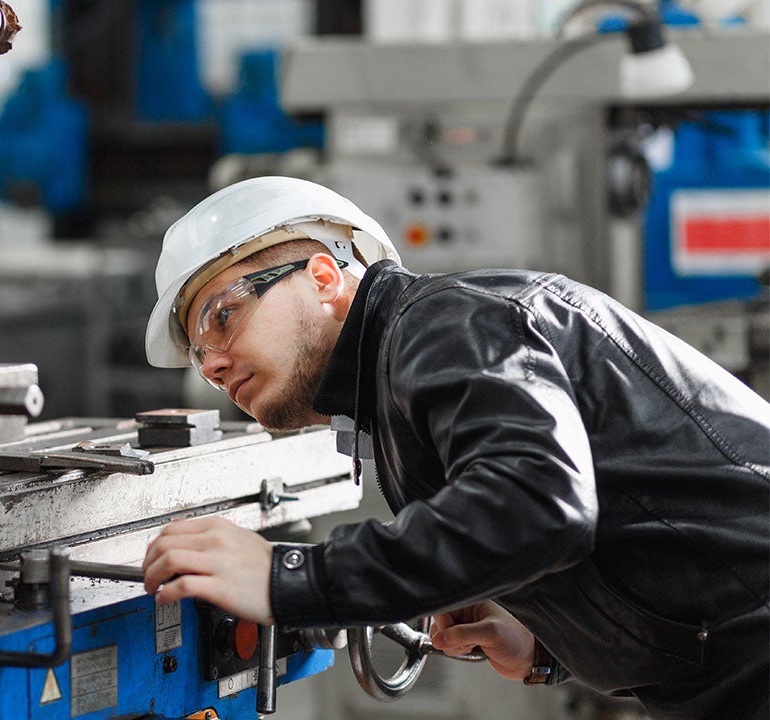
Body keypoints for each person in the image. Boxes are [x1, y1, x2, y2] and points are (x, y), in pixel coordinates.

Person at [138, 176, 770, 719]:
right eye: (196, 353)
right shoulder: (393, 388)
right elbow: (617, 528)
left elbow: (539, 506)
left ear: (324, 277)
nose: (212, 365)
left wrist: (290, 577)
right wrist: (554, 636)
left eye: (221, 316)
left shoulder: (439, 324)